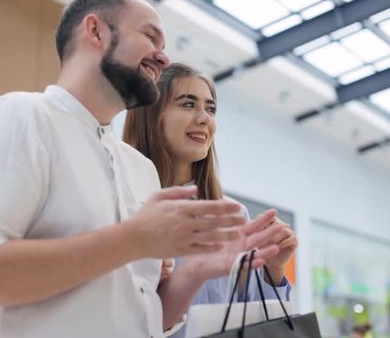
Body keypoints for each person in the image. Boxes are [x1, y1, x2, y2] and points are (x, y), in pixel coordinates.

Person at [0, 0, 279, 338]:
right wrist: (133, 241)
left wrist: (195, 272)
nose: (162, 57)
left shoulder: (140, 170)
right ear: (96, 32)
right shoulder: (22, 117)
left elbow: (145, 320)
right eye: (150, 36)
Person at [123, 63, 298, 336]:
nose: (205, 118)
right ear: (151, 114)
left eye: (211, 108)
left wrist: (274, 269)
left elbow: (253, 320)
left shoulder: (232, 215)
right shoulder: (124, 203)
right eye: (188, 104)